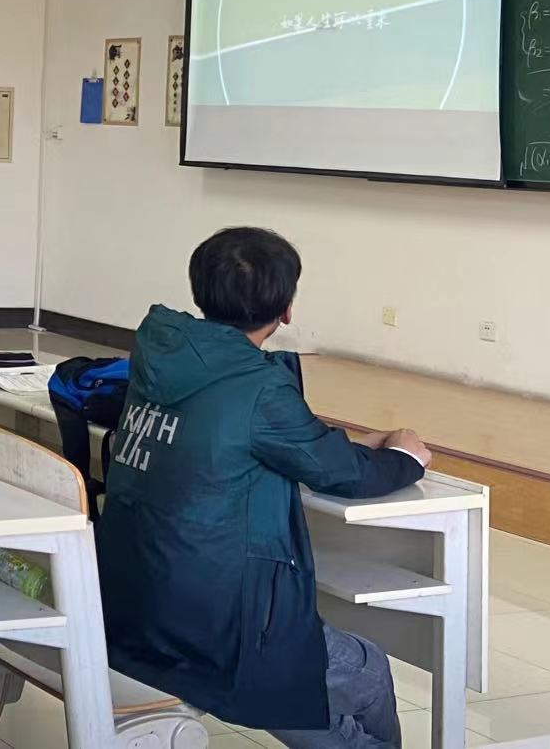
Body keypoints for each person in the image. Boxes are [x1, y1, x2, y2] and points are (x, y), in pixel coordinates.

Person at [99, 227, 432, 749]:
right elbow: (345, 474)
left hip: (131, 605)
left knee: (313, 698)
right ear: (287, 309)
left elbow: (245, 435)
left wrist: (324, 443)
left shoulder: (160, 353)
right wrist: (405, 457)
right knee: (367, 672)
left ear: (200, 291)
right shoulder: (257, 384)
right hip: (214, 626)